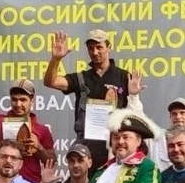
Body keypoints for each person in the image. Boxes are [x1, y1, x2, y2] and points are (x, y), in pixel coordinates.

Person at [43, 29, 144, 169]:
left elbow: (134, 116)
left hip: (114, 148)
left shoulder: (123, 77)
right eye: (91, 48)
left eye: (99, 47)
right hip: (86, 150)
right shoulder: (81, 78)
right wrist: (56, 59)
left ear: (109, 47)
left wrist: (134, 95)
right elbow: (51, 82)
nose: (95, 52)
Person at [0, 60, 55, 183]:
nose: (18, 104)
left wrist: (39, 147)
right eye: (14, 99)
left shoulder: (42, 130)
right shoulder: (0, 121)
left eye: (23, 100)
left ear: (32, 101)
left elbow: (52, 162)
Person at [147, 98, 185, 172]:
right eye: (174, 114)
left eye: (182, 113)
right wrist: (134, 97)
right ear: (170, 117)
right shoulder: (158, 137)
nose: (178, 117)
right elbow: (137, 120)